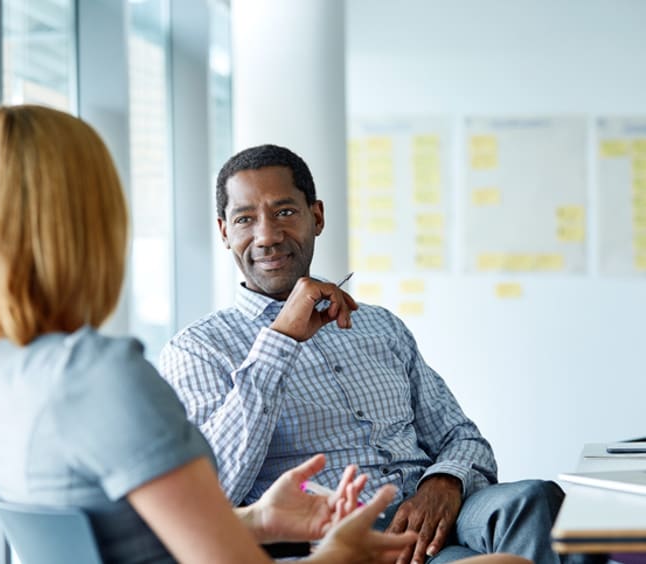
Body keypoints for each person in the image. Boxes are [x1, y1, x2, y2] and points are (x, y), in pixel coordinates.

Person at [0, 105, 422, 564]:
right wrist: (340, 554)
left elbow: (120, 538)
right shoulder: (101, 376)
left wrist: (257, 519)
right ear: (88, 222)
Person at [160, 143, 567, 564]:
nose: (267, 235)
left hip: (439, 512)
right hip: (341, 541)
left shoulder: (380, 325)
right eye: (245, 219)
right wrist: (279, 341)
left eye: (284, 212)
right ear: (225, 232)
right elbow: (214, 490)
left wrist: (444, 482)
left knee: (533, 500)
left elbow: (460, 436)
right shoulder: (198, 349)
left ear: (316, 217)